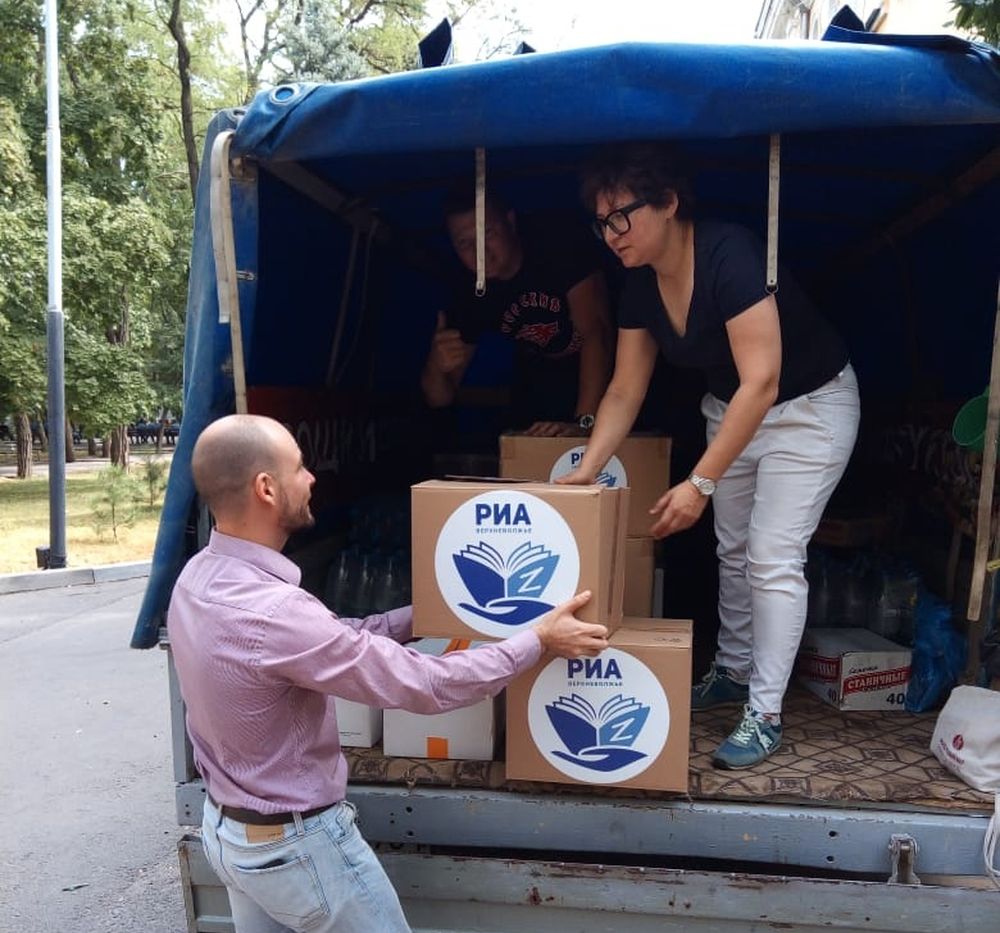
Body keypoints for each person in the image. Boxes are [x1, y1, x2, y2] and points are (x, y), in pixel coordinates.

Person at [167, 414, 609, 932]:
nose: (311, 479)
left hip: (229, 834)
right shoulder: (276, 612)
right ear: (266, 488)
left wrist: (431, 611)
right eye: (299, 467)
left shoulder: (197, 577)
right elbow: (426, 684)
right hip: (298, 850)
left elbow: (338, 636)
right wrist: (537, 641)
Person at [560, 142, 860, 769]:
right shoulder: (639, 284)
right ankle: (732, 669)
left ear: (669, 203)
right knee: (732, 549)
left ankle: (765, 713)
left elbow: (764, 379)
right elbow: (624, 387)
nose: (611, 234)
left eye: (622, 216)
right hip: (732, 411)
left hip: (808, 408)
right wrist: (584, 472)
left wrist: (698, 483)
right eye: (600, 222)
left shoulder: (730, 253)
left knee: (773, 554)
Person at [420, 189, 614, 437]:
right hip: (538, 383)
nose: (481, 253)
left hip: (611, 384)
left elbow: (597, 334)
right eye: (464, 243)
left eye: (487, 234)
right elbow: (439, 398)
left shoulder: (557, 243)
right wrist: (435, 365)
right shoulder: (468, 289)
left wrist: (585, 423)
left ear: (510, 221)